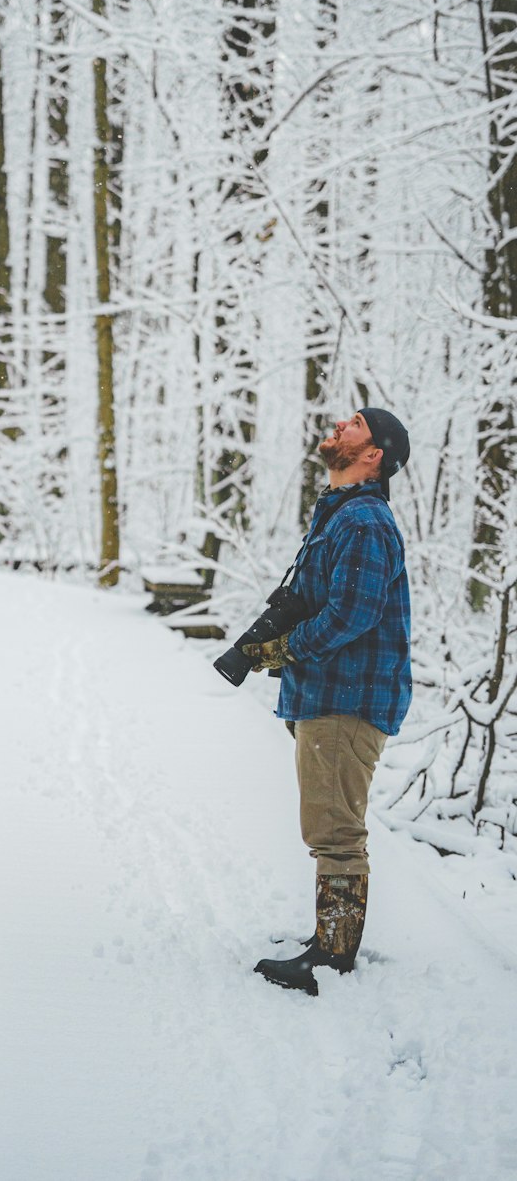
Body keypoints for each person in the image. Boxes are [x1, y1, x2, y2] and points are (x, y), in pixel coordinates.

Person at [241, 407, 412, 995]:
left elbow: (351, 615)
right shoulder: (342, 515)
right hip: (329, 694)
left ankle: (333, 960)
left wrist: (278, 651)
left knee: (336, 830)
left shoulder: (363, 522)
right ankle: (327, 938)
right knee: (328, 822)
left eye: (357, 424)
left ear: (374, 456)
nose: (341, 423)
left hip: (348, 697)